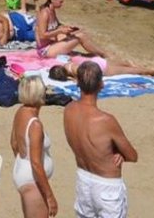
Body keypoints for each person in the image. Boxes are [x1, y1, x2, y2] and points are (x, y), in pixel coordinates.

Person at [63, 61, 137, 218]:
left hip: (83, 179)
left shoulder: (68, 110)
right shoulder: (105, 120)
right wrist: (119, 153)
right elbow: (132, 155)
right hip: (107, 186)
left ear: (77, 83)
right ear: (101, 85)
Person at [11, 75, 57, 218]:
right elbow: (36, 164)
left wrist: (22, 163)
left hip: (22, 170)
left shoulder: (20, 112)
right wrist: (49, 196)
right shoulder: (35, 125)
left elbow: (13, 143)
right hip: (32, 180)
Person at [36, 0, 106, 58]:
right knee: (80, 36)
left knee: (78, 33)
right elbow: (42, 35)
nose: (62, 4)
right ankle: (102, 54)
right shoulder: (44, 13)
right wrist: (59, 31)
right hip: (45, 50)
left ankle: (98, 53)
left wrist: (68, 28)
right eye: (60, 2)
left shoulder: (51, 10)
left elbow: (57, 25)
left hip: (51, 43)